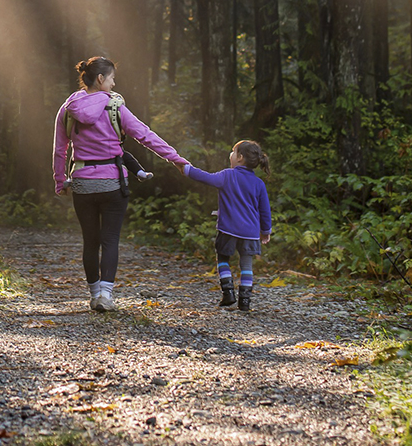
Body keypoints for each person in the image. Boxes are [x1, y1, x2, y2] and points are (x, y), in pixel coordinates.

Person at [53, 56, 188, 312]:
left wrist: (61, 181)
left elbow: (60, 150)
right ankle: (106, 295)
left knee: (90, 241)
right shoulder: (115, 107)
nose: (114, 84)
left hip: (82, 182)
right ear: (101, 78)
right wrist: (176, 159)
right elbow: (145, 136)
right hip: (113, 182)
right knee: (110, 240)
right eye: (112, 78)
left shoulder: (68, 108)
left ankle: (94, 295)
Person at [181, 140, 272, 312]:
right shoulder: (259, 184)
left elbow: (205, 177)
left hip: (228, 229)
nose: (230, 155)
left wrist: (186, 169)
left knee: (222, 259)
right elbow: (265, 211)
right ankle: (245, 301)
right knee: (247, 265)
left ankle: (228, 293)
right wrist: (265, 231)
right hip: (250, 233)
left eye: (233, 151)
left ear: (240, 157)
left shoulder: (227, 175)